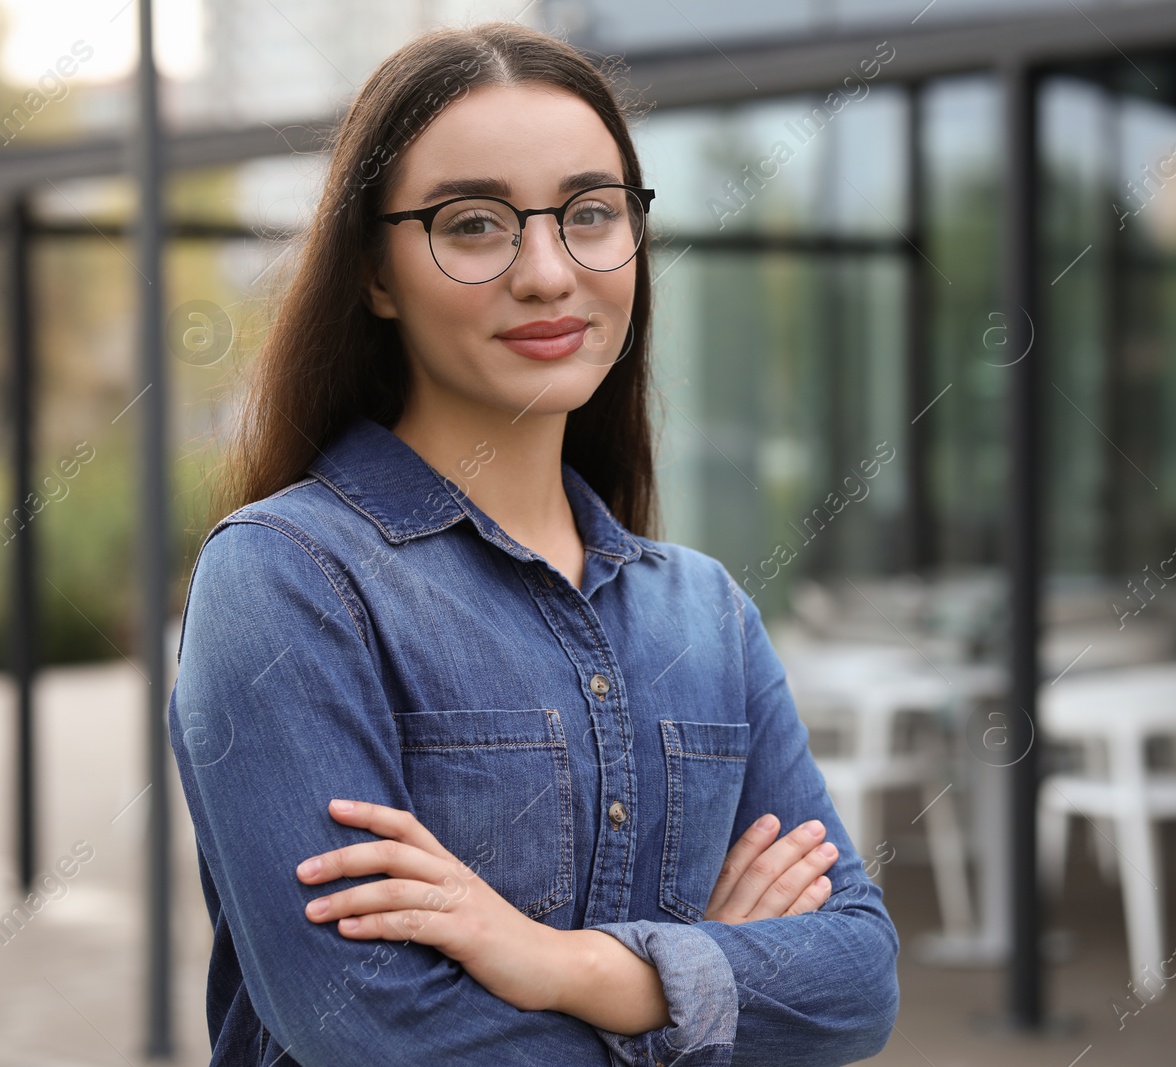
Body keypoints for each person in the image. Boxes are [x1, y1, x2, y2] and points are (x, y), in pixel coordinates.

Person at [167, 21, 899, 1067]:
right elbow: (370, 1025)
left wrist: (559, 963)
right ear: (374, 272)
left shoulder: (704, 610)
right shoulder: (287, 579)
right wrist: (702, 984)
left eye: (590, 213)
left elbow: (857, 979)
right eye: (474, 224)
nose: (550, 272)